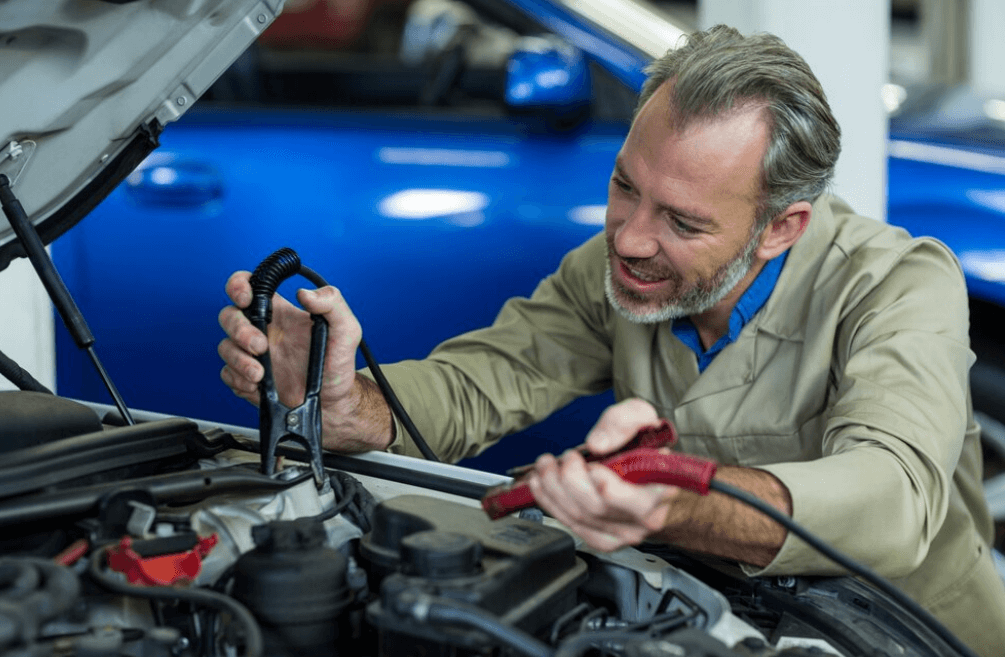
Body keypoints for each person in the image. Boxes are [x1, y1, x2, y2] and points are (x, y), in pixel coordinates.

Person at [218, 25, 1005, 655]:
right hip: (711, 620)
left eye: (682, 220)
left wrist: (665, 496)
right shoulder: (615, 268)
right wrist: (357, 405)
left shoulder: (896, 283)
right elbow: (481, 381)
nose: (628, 238)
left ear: (780, 228)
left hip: (902, 632)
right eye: (625, 185)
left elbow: (893, 500)